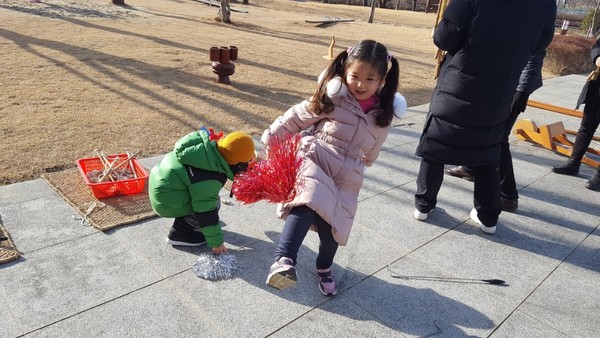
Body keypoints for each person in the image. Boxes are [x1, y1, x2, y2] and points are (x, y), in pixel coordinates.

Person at [261, 39, 405, 296]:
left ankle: (324, 267)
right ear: (344, 73)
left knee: (334, 230)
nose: (361, 84)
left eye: (370, 79)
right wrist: (273, 136)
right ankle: (284, 261)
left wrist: (368, 161)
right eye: (355, 76)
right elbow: (298, 116)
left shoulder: (383, 115)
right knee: (306, 201)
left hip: (347, 176)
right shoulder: (334, 96)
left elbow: (374, 147)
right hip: (317, 157)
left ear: (382, 79)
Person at [414, 0, 557, 235]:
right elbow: (541, 42)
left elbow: (445, 37)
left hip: (460, 79)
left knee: (437, 141)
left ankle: (423, 205)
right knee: (488, 151)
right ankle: (488, 218)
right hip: (502, 85)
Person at [444, 50, 550, 212]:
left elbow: (535, 52)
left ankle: (507, 195)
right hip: (495, 80)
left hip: (513, 85)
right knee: (478, 126)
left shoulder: (530, 23)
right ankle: (470, 168)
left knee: (499, 138)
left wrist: (523, 90)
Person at [148, 129, 255, 254]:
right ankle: (179, 233)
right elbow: (205, 210)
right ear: (236, 163)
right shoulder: (208, 176)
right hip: (166, 201)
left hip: (162, 185)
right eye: (247, 162)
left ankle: (194, 223)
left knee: (210, 199)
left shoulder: (206, 150)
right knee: (211, 205)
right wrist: (217, 243)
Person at [551, 38, 600, 191]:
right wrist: (598, 57)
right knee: (586, 127)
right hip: (598, 87)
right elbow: (597, 46)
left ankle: (599, 175)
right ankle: (573, 163)